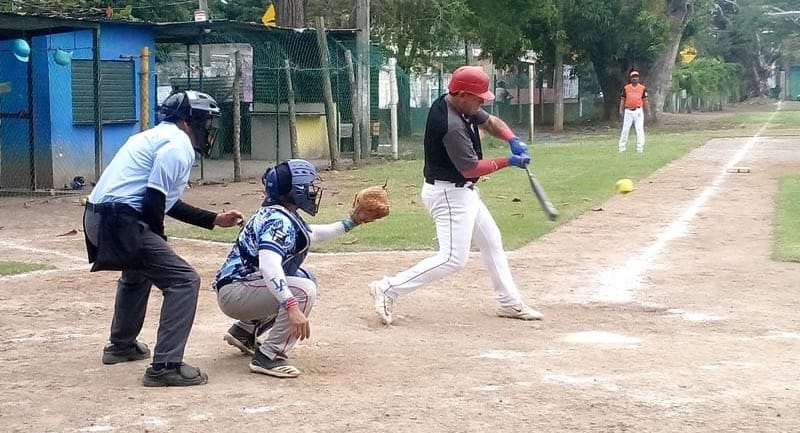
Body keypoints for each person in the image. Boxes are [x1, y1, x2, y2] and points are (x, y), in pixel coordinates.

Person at [83, 90, 245, 387]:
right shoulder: (177, 145)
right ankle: (165, 366)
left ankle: (121, 345)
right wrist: (158, 238)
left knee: (140, 269)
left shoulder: (156, 137)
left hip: (100, 219)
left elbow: (163, 201)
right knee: (184, 280)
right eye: (205, 121)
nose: (208, 129)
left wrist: (212, 219)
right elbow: (154, 201)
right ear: (188, 121)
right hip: (119, 223)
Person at [368, 65, 543, 326]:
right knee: (452, 258)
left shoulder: (460, 104)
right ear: (461, 94)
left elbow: (490, 122)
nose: (482, 102)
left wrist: (512, 138)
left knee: (492, 240)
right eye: (478, 97)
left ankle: (509, 302)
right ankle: (389, 288)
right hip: (448, 193)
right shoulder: (450, 125)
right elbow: (471, 168)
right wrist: (509, 161)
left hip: (463, 192)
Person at [213, 159, 380, 378]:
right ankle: (269, 356)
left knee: (303, 277)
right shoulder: (278, 221)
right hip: (236, 293)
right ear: (294, 190)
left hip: (238, 288)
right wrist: (291, 306)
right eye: (307, 185)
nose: (312, 191)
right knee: (302, 291)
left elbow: (312, 234)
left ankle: (245, 330)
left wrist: (352, 222)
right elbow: (269, 265)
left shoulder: (280, 213)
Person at [618, 70, 650, 153]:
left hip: (638, 110)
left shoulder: (642, 88)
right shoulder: (626, 88)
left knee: (639, 129)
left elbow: (645, 100)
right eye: (633, 77)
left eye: (636, 76)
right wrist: (621, 109)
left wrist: (648, 111)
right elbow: (623, 99)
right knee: (625, 129)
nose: (635, 78)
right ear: (630, 78)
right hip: (628, 111)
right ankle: (622, 147)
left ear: (638, 78)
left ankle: (640, 148)